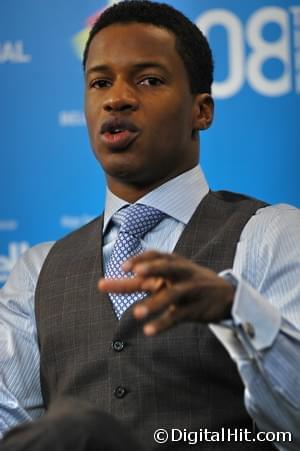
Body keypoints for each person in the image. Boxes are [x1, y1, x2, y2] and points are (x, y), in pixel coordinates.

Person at [0, 1, 300, 450]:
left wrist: (237, 309)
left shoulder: (271, 235)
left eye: (149, 80)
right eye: (100, 82)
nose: (116, 97)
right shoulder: (35, 272)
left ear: (201, 111)